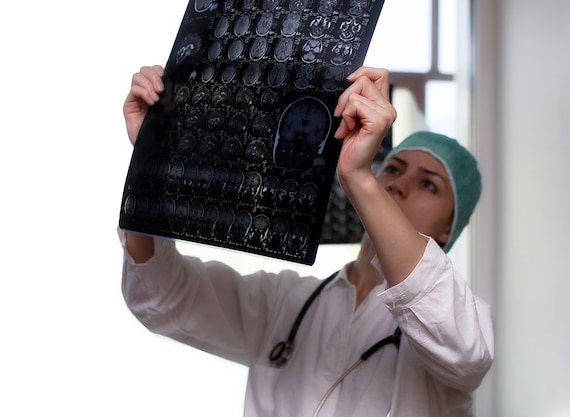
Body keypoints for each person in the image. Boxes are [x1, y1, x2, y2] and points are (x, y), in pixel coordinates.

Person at [119, 64, 494, 417]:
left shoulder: (460, 319)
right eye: (393, 168)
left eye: (429, 184)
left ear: (449, 228)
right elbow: (162, 297)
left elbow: (463, 351)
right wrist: (150, 160)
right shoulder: (283, 301)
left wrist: (358, 176)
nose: (399, 184)